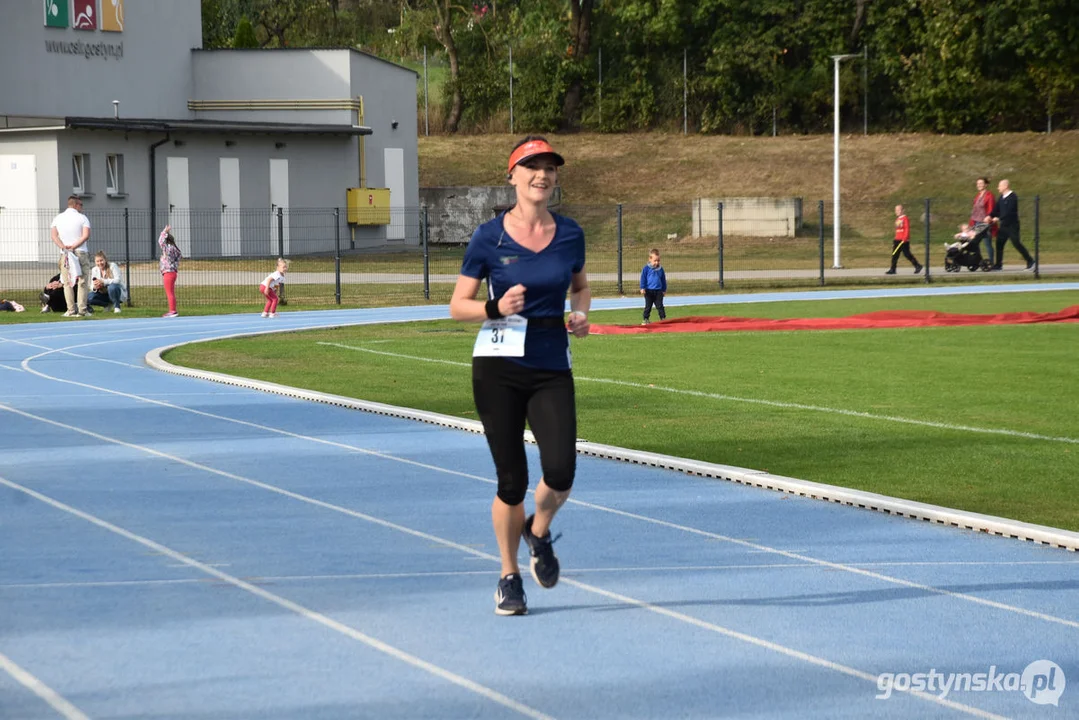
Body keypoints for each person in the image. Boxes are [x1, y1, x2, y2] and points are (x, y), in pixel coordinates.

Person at [449, 135, 590, 616]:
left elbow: (581, 285)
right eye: (531, 166)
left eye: (549, 167)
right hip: (498, 366)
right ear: (512, 176)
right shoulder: (490, 236)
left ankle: (538, 531)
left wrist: (581, 314)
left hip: (551, 364)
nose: (542, 174)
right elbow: (456, 306)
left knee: (562, 472)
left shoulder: (571, 234)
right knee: (511, 480)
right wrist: (493, 305)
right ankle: (509, 576)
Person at [50, 195, 92, 317]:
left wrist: (63, 247)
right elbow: (85, 236)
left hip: (65, 253)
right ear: (75, 205)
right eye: (81, 205)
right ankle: (82, 310)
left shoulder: (58, 218)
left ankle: (70, 310)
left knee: (67, 282)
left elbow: (54, 235)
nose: (82, 207)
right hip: (80, 252)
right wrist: (74, 246)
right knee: (82, 281)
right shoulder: (82, 218)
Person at [989, 179, 1034, 271]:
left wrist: (998, 218)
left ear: (1005, 186)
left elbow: (1009, 212)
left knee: (1016, 243)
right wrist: (990, 216)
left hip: (1012, 225)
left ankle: (1030, 261)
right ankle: (998, 265)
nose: (998, 188)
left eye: (999, 186)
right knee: (999, 244)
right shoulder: (1001, 197)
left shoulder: (1012, 197)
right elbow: (996, 209)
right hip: (1003, 226)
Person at [885, 204, 922, 275]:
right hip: (897, 240)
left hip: (903, 240)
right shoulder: (897, 219)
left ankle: (917, 265)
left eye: (899, 210)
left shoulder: (905, 218)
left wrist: (905, 238)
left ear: (902, 210)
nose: (897, 211)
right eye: (896, 210)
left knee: (907, 254)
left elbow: (907, 228)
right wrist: (895, 240)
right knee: (894, 254)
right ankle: (893, 269)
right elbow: (897, 231)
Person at [157, 224, 182, 317]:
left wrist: (164, 232)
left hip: (168, 272)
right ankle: (172, 310)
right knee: (171, 291)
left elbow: (160, 241)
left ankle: (172, 310)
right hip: (173, 272)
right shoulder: (175, 249)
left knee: (169, 292)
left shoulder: (168, 249)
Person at [970, 177, 996, 266]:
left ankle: (991, 263)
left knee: (987, 243)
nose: (979, 185)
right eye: (978, 183)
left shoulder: (989, 195)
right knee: (974, 243)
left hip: (985, 223)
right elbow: (975, 210)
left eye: (981, 183)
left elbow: (991, 209)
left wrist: (989, 221)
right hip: (976, 222)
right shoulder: (978, 196)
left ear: (985, 185)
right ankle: (978, 260)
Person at [639, 248, 667, 325]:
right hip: (648, 291)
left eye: (658, 260)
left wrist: (664, 289)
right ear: (650, 259)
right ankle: (645, 319)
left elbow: (663, 280)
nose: (657, 262)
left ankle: (663, 318)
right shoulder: (646, 269)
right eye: (655, 261)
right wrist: (642, 287)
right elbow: (643, 279)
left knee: (660, 306)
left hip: (658, 291)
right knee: (648, 306)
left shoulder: (660, 269)